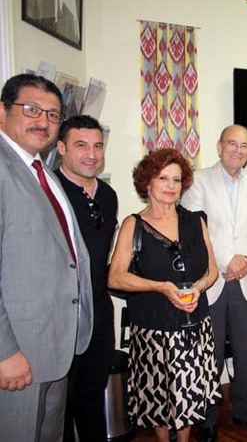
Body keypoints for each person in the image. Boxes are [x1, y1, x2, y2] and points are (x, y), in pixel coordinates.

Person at [0, 74, 93, 441]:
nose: (43, 121)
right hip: (18, 351)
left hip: (54, 345)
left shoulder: (42, 171)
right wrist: (5, 352)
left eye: (53, 115)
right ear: (3, 112)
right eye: (32, 109)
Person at [108, 148, 220, 442]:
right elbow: (116, 276)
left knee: (188, 396)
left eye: (177, 179)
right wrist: (160, 286)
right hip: (153, 328)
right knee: (158, 396)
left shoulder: (196, 221)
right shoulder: (134, 225)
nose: (171, 185)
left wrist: (199, 287)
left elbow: (212, 271)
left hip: (194, 325)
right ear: (148, 182)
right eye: (163, 178)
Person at [180, 125, 247, 439]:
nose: (238, 150)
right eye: (232, 144)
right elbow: (197, 229)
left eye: (245, 145)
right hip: (212, 280)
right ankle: (207, 420)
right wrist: (227, 261)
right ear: (219, 146)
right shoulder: (198, 180)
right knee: (210, 353)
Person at [56, 115, 119, 441]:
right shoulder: (50, 194)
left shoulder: (108, 195)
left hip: (99, 309)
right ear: (61, 148)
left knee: (93, 394)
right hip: (62, 316)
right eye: (81, 145)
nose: (91, 154)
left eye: (97, 146)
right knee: (61, 405)